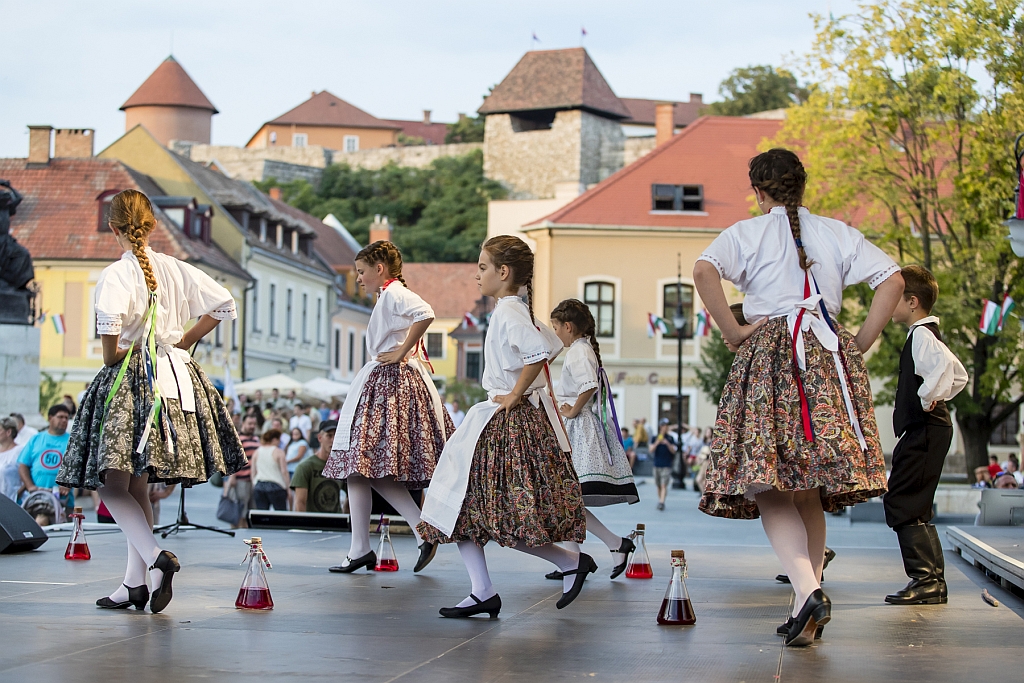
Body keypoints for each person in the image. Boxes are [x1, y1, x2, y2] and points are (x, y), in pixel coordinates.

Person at [693, 148, 903, 646]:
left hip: (771, 353)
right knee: (808, 489)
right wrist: (859, 342)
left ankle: (808, 591)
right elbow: (893, 280)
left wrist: (734, 330)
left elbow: (703, 272)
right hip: (826, 353)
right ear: (801, 187)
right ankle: (804, 609)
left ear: (758, 192)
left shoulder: (747, 233)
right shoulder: (835, 232)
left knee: (767, 486)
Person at [56, 189, 247, 614]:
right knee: (137, 483)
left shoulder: (117, 274)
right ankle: (133, 584)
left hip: (132, 379)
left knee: (110, 484)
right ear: (153, 225)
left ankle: (156, 557)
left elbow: (110, 341)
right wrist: (185, 340)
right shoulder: (175, 267)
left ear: (112, 227)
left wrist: (119, 353)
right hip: (176, 378)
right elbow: (224, 302)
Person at [419, 235, 591, 619]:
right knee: (469, 507)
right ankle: (485, 589)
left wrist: (515, 392)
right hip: (503, 418)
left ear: (503, 272)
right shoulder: (515, 310)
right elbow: (550, 343)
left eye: (482, 267)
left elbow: (538, 352)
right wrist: (522, 387)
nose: (477, 275)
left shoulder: (510, 312)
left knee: (494, 510)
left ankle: (565, 562)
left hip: (507, 421)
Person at [325, 240, 454, 574]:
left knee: (364, 464)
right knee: (358, 467)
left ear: (379, 269)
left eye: (361, 271)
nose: (358, 278)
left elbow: (425, 312)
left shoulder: (394, 292)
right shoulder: (388, 294)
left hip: (388, 384)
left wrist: (400, 352)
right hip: (385, 381)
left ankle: (406, 534)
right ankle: (364, 546)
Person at [882, 265, 968, 606]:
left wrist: (928, 396)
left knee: (902, 499)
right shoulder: (924, 334)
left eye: (895, 298)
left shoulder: (921, 335)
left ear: (912, 301)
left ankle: (926, 579)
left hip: (925, 427)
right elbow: (959, 374)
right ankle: (932, 581)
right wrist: (933, 395)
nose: (889, 304)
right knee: (914, 503)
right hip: (929, 427)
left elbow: (948, 370)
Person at [548, 298, 639, 581]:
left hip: (578, 428)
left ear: (568, 326)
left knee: (565, 496)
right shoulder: (582, 349)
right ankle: (576, 558)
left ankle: (602, 549)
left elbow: (587, 386)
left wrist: (573, 410)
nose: (555, 333)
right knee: (565, 498)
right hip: (579, 426)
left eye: (556, 328)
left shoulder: (578, 351)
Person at [18, 404, 72, 524]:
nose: (64, 420)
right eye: (60, 417)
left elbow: (79, 467)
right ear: (50, 418)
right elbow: (23, 465)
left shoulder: (73, 441)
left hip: (63, 500)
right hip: (36, 498)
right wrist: (30, 486)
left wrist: (68, 482)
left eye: (66, 418)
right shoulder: (36, 439)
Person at [292, 420, 345, 513]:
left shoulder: (343, 466)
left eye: (336, 436)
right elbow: (300, 502)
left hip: (336, 519)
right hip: (314, 519)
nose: (333, 440)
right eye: (329, 436)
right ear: (320, 438)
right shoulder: (306, 466)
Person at [225, 414, 260, 528]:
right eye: (250, 424)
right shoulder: (238, 438)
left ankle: (245, 531)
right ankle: (238, 531)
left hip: (252, 480)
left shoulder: (256, 439)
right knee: (239, 509)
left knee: (249, 510)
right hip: (241, 480)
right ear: (243, 423)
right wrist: (232, 477)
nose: (252, 426)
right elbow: (232, 459)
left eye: (254, 424)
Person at [251, 429, 290, 510]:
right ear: (275, 439)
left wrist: (254, 483)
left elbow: (253, 471)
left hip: (260, 485)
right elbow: (284, 471)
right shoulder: (279, 452)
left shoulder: (257, 452)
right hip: (276, 485)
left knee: (261, 513)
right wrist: (288, 487)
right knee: (280, 513)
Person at [650, 420, 676, 511]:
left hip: (667, 464)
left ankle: (662, 502)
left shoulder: (670, 438)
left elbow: (673, 451)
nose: (665, 427)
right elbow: (651, 450)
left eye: (666, 426)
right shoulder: (655, 437)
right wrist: (657, 442)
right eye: (663, 426)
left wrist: (667, 443)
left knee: (663, 484)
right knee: (658, 485)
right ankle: (660, 499)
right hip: (657, 463)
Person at [0, 416, 24, 501]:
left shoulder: (19, 451)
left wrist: (17, 494)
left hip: (12, 500)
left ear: (8, 432)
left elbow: (27, 474)